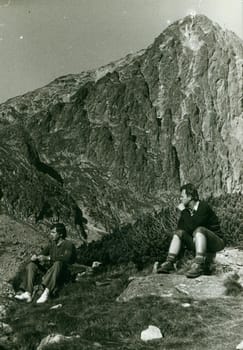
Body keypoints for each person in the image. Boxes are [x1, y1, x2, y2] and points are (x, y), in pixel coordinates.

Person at [157, 183, 225, 278]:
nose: (180, 199)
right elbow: (182, 229)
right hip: (198, 242)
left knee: (199, 229)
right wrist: (185, 213)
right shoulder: (188, 211)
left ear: (190, 197)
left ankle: (199, 264)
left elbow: (194, 226)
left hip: (216, 242)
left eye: (182, 196)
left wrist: (184, 211)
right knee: (178, 233)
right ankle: (169, 262)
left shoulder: (203, 207)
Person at [15, 223, 76, 304]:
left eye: (53, 232)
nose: (51, 234)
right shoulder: (51, 245)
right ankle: (28, 293)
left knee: (58, 263)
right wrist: (35, 257)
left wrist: (48, 258)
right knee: (31, 265)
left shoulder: (68, 244)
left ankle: (46, 292)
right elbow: (41, 254)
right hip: (51, 271)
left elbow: (67, 258)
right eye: (51, 232)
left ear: (61, 234)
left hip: (63, 272)